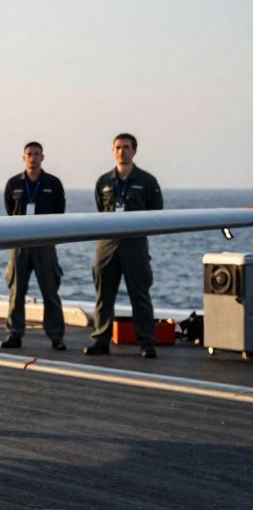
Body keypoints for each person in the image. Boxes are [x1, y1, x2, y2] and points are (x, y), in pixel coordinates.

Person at [84, 133, 163, 358]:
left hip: (135, 243)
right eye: (118, 147)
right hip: (107, 243)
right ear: (113, 151)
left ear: (134, 150)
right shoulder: (104, 181)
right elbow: (101, 209)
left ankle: (147, 343)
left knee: (140, 294)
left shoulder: (147, 181)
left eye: (126, 147)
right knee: (103, 295)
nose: (122, 151)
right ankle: (100, 340)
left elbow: (157, 212)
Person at [0, 142, 67, 350]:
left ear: (42, 157)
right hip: (18, 244)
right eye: (29, 154)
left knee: (50, 290)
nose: (33, 157)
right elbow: (10, 210)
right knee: (16, 291)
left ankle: (56, 336)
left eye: (37, 154)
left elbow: (59, 211)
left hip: (44, 243)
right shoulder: (13, 184)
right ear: (23, 157)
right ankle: (14, 334)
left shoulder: (53, 183)